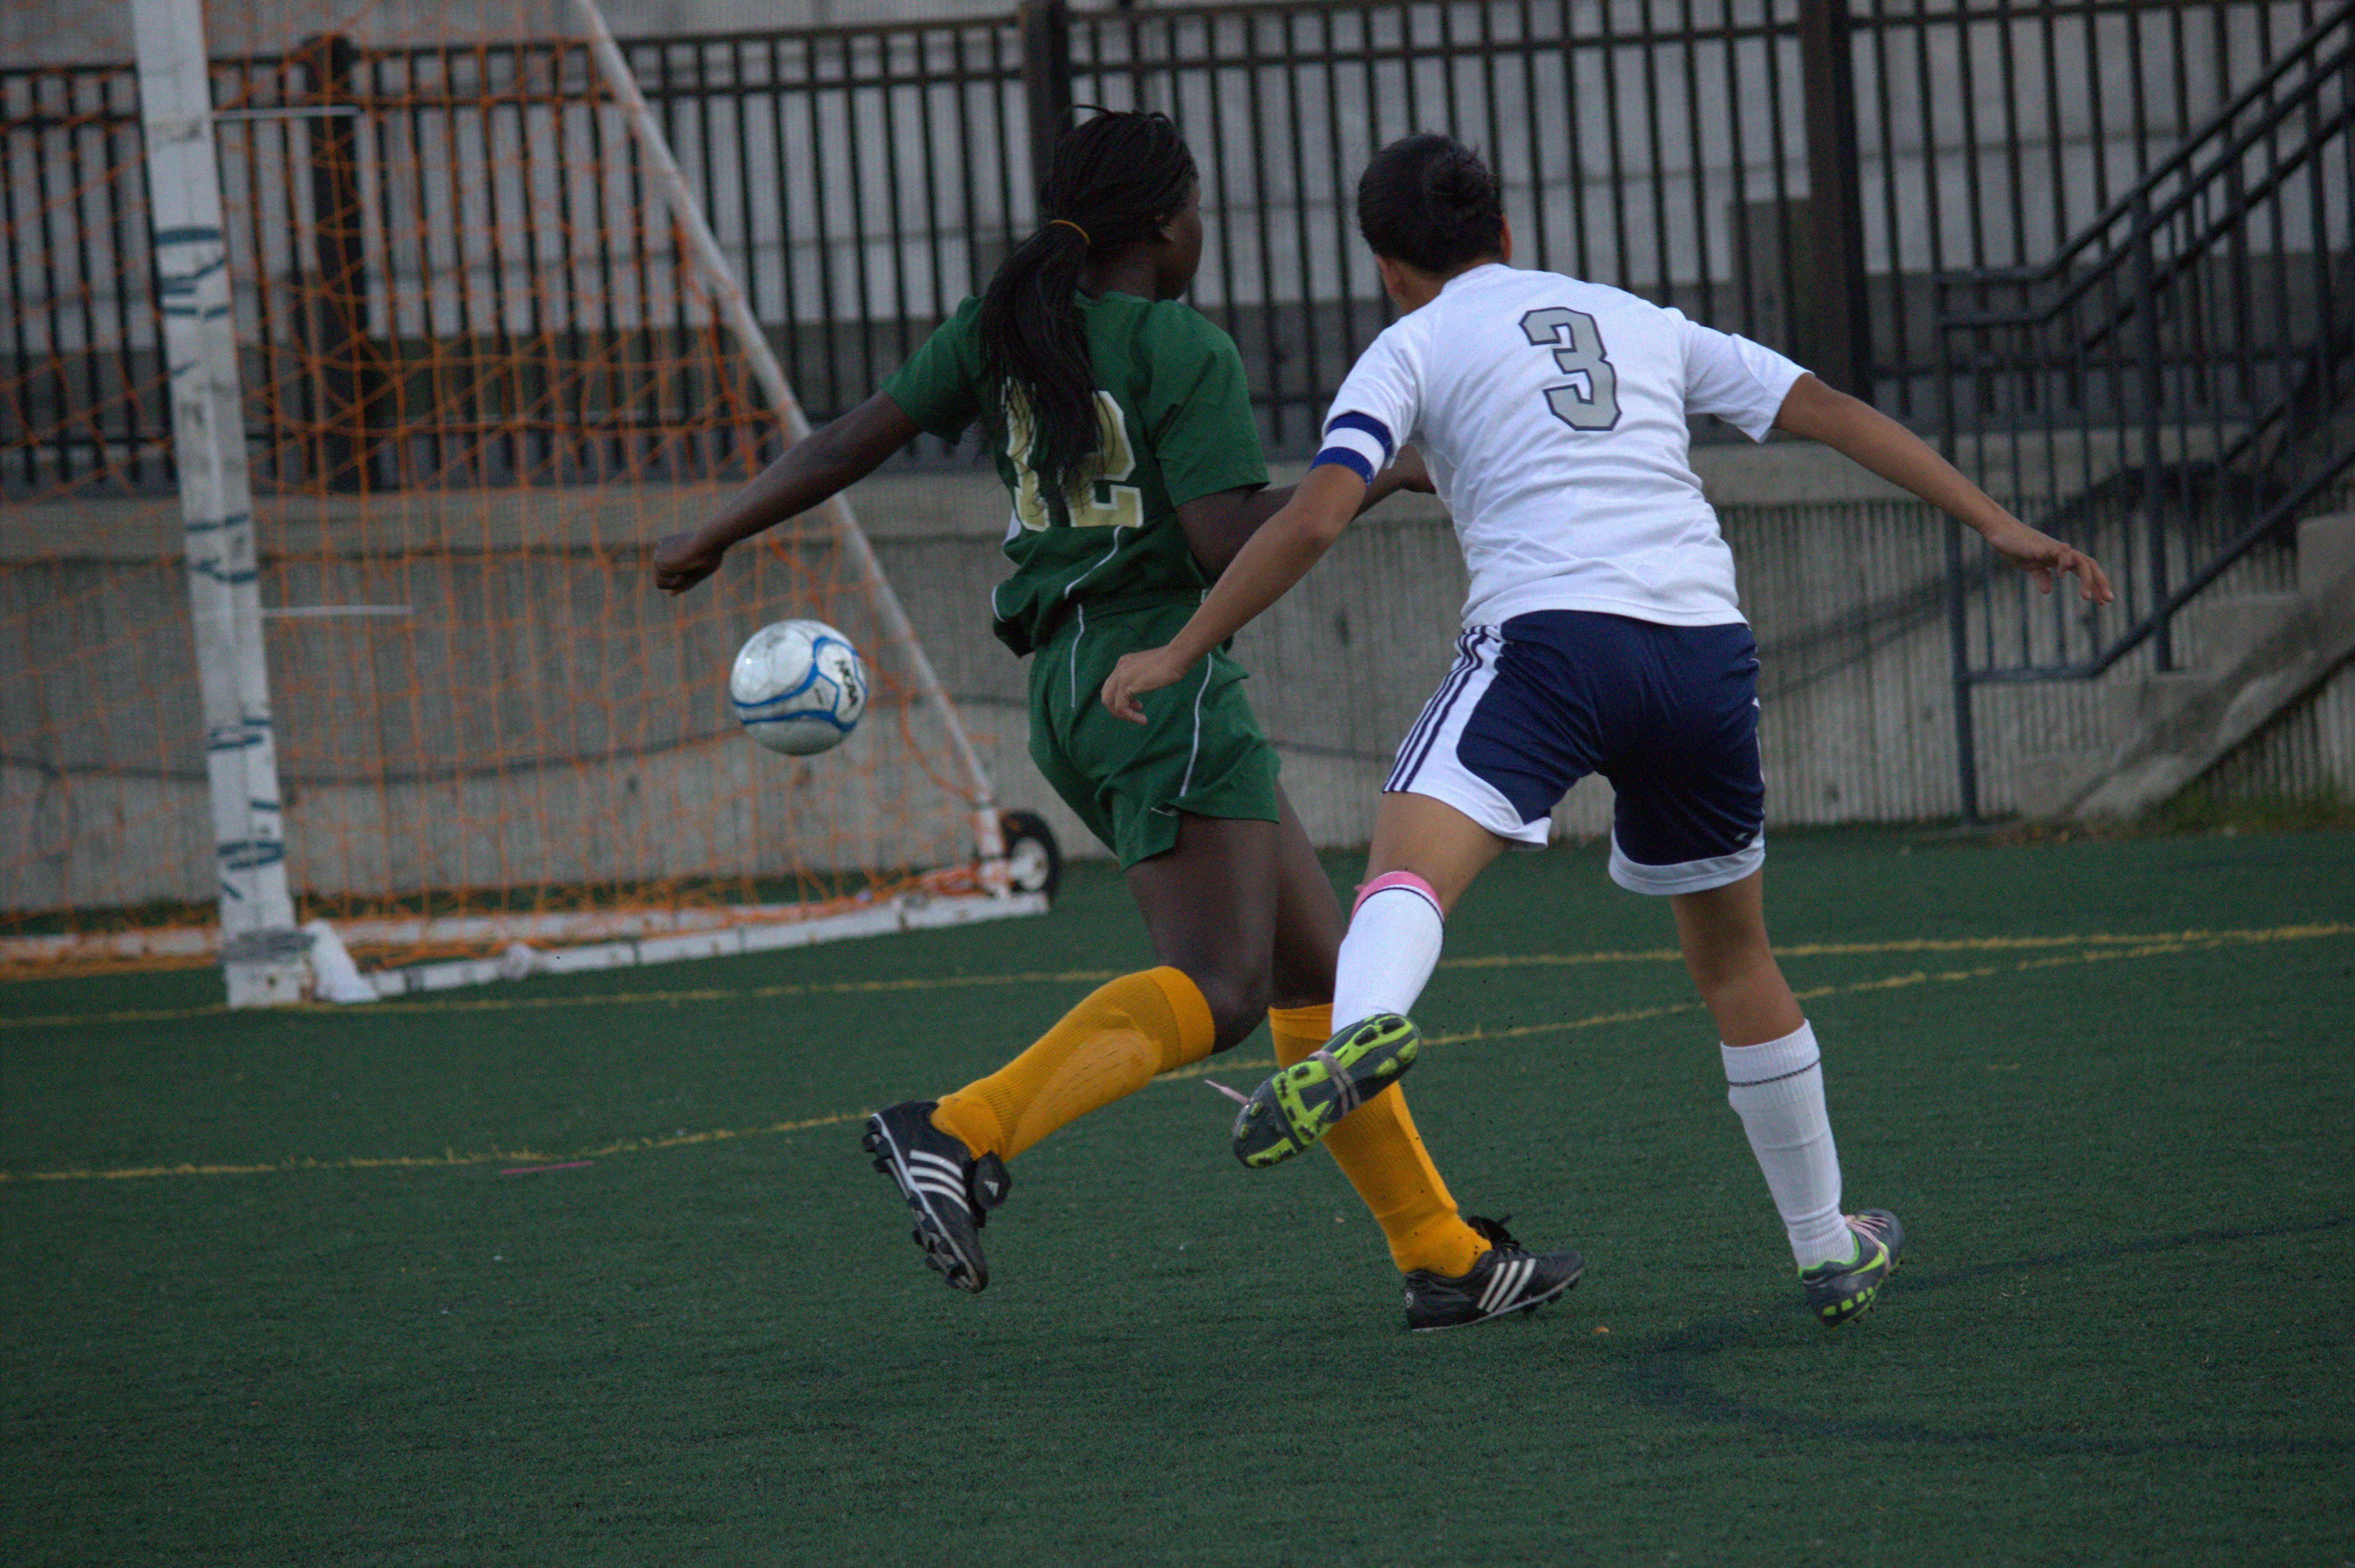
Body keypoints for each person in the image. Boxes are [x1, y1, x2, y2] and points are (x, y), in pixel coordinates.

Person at [1101, 133, 2115, 1329]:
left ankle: (1363, 1033)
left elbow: (1315, 518)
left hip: (1552, 645)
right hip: (1701, 654)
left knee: (1405, 873)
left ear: (1386, 266)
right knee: (1735, 958)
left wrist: (1177, 648)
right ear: (1508, 234)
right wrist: (1994, 524)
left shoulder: (1408, 346)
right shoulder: (1634, 317)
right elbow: (1827, 410)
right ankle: (1825, 1244)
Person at [652, 112, 1580, 1331]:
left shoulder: (1005, 328)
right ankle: (959, 1131)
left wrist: (710, 532)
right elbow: (1222, 540)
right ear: (1161, 223)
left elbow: (845, 441)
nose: (1204, 232)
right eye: (1196, 210)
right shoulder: (1175, 345)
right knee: (1221, 986)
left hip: (1065, 682)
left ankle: (1441, 1254)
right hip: (1159, 678)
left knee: (1317, 966)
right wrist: (1369, 480)